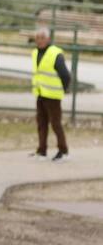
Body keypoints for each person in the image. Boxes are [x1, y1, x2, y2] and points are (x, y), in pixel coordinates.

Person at [29, 27, 70, 162]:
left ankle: (63, 151)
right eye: (37, 38)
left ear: (48, 39)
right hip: (40, 94)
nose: (39, 40)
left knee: (55, 124)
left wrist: (61, 89)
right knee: (41, 123)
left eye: (42, 37)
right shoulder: (35, 53)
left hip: (53, 96)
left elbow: (65, 75)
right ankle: (42, 151)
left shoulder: (55, 53)